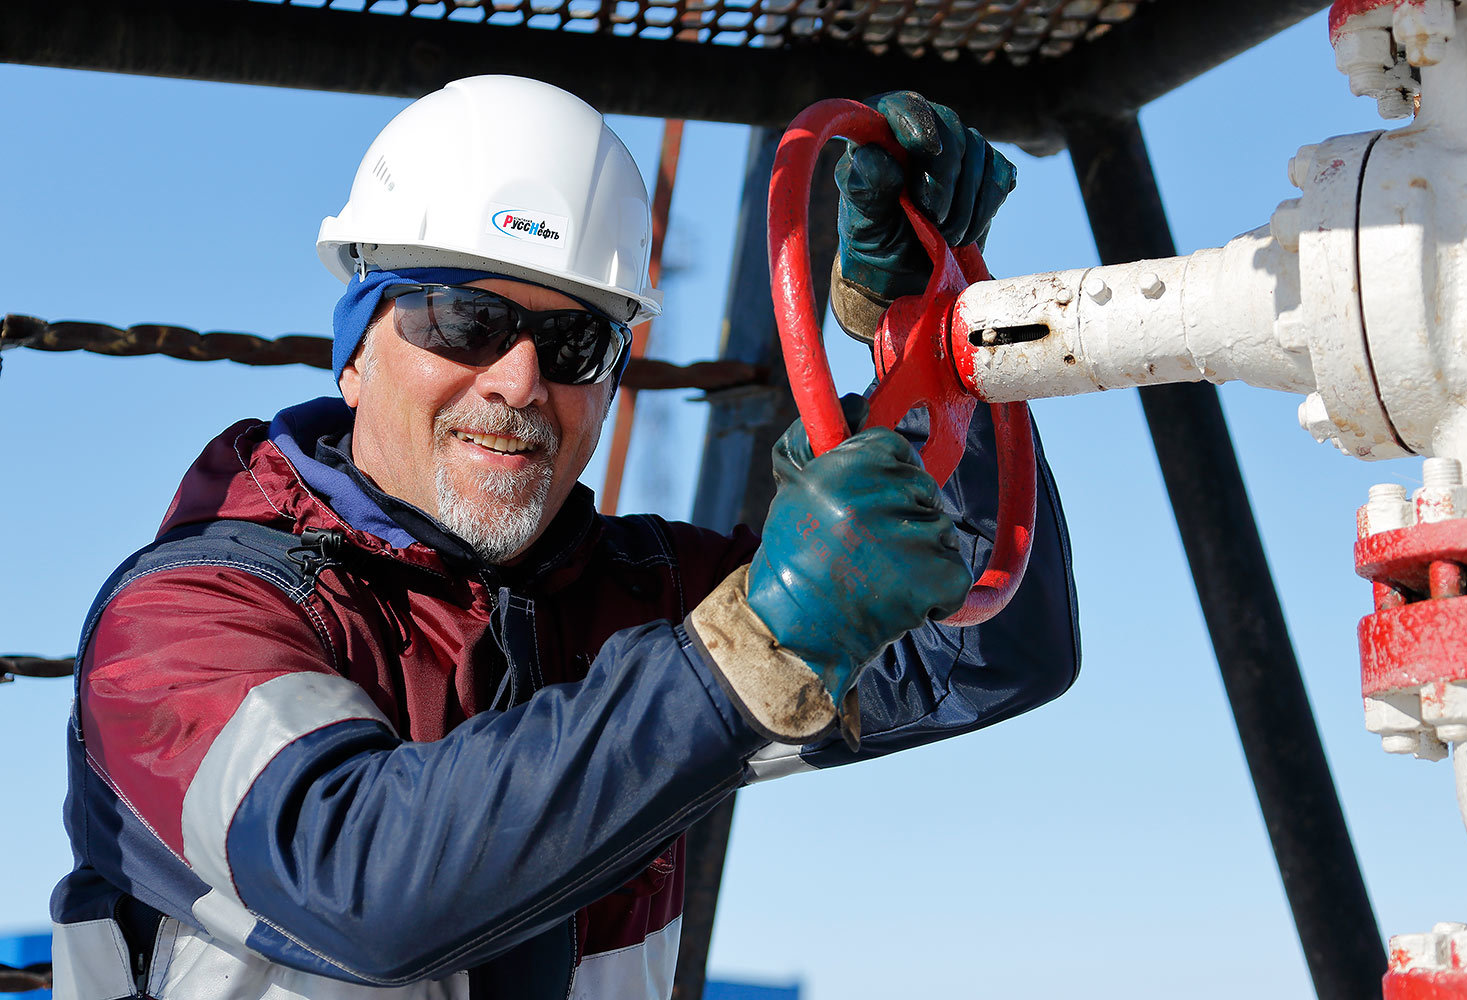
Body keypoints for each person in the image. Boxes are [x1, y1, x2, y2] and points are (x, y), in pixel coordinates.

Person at [49, 76, 1078, 1000]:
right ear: (356, 351)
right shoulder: (181, 623)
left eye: (574, 339)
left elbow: (985, 650)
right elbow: (356, 883)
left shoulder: (648, 603)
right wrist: (751, 651)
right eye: (464, 319)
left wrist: (924, 332)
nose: (519, 381)